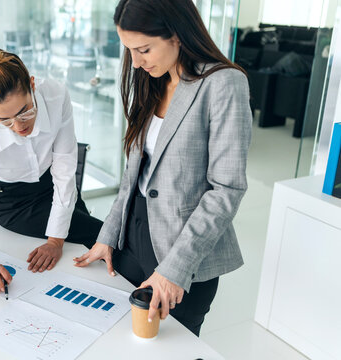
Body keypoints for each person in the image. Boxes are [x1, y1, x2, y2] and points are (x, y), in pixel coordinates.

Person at [74, 0, 252, 336]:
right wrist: (108, 236)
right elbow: (134, 178)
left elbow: (227, 189)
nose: (137, 63)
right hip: (133, 238)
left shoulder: (224, 83)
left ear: (176, 34)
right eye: (130, 51)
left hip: (183, 251)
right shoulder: (152, 82)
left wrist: (175, 268)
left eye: (143, 49)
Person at [0, 41, 103, 293]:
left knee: (96, 240)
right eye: (4, 120)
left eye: (24, 112)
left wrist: (55, 241)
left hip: (52, 184)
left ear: (32, 84)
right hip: (11, 201)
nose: (18, 126)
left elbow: (65, 168)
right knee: (98, 236)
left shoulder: (56, 95)